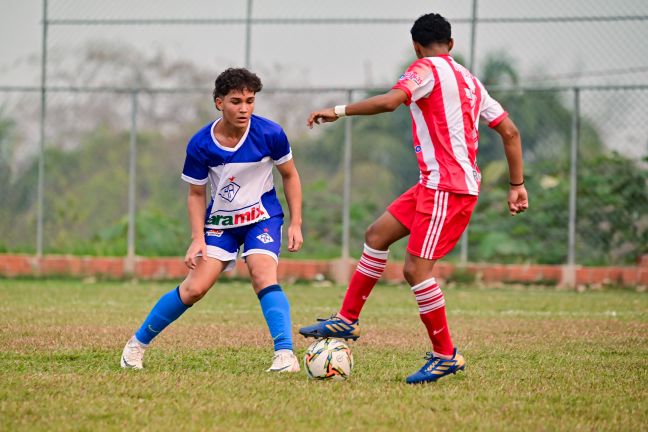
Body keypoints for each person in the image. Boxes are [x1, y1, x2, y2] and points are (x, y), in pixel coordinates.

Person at [299, 13, 528, 384]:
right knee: (377, 235)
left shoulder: (425, 69)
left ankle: (445, 355)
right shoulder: (471, 81)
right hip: (433, 183)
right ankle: (347, 319)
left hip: (447, 188)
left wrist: (339, 111)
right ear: (451, 44)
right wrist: (517, 184)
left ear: (416, 47)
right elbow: (511, 132)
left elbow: (391, 102)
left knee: (416, 270)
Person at [121, 68, 304, 372]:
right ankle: (135, 346)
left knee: (262, 274)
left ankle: (285, 355)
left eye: (250, 100)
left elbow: (290, 175)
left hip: (263, 217)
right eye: (236, 101)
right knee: (195, 289)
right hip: (221, 223)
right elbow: (196, 194)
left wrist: (296, 222)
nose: (244, 108)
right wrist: (197, 238)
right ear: (219, 102)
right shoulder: (200, 144)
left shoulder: (271, 133)